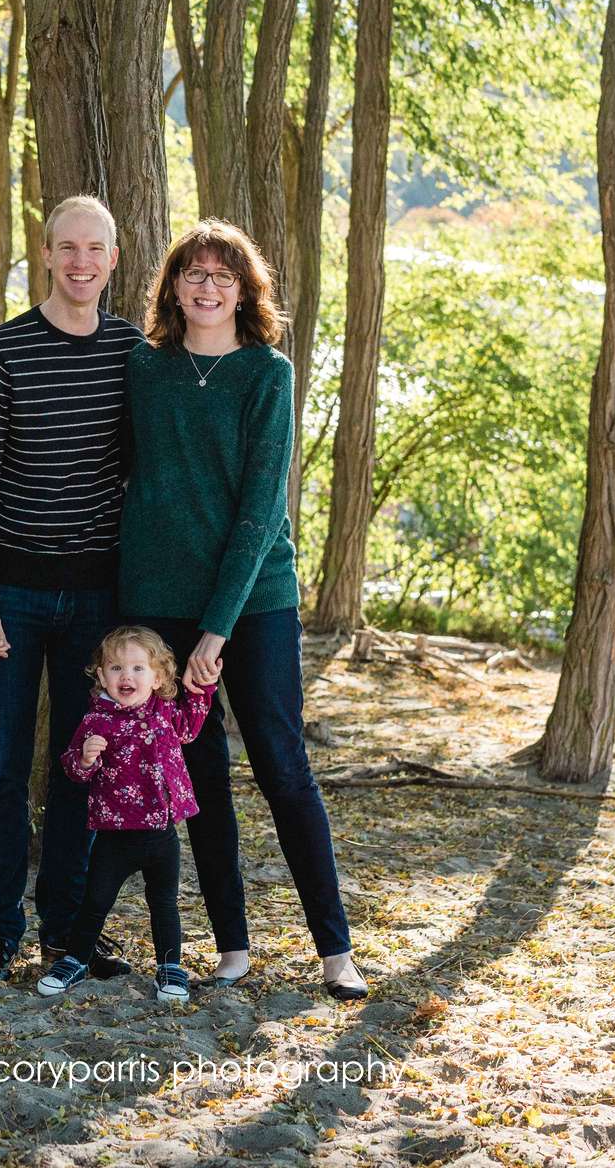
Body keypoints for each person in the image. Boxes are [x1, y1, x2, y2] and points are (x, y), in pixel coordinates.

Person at [119, 219, 368, 1002]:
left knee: (282, 766)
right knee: (201, 778)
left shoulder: (268, 373)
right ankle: (232, 946)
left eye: (224, 275)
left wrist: (218, 630)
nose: (207, 285)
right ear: (173, 286)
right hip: (159, 606)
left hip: (254, 604)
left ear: (245, 289)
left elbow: (261, 509)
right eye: (194, 272)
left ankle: (335, 951)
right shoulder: (144, 368)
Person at [0, 195, 145, 986]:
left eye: (93, 248)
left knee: (82, 765)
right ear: (46, 254)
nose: (79, 262)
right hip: (13, 598)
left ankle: (66, 930)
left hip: (97, 603)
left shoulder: (135, 352)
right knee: (0, 769)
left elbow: (151, 475)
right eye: (66, 247)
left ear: (111, 259)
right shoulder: (1, 352)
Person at [37, 625, 213, 1004]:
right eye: (116, 668)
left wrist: (204, 689)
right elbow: (72, 767)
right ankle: (75, 959)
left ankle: (170, 967)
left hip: (162, 834)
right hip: (115, 836)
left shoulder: (165, 712)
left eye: (137, 668)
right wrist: (86, 757)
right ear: (101, 676)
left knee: (164, 902)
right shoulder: (96, 721)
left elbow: (190, 728)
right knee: (95, 901)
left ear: (158, 677)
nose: (126, 677)